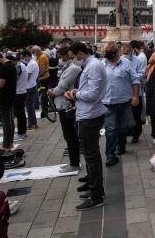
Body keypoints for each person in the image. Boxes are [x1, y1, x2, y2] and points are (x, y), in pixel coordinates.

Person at [64, 42, 107, 210]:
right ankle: (94, 188)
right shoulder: (90, 65)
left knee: (91, 155)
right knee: (91, 154)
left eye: (74, 57)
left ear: (80, 53)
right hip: (86, 113)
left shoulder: (94, 66)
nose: (74, 61)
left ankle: (97, 195)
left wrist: (75, 94)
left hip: (90, 115)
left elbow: (93, 94)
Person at [101, 42, 140, 166]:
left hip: (124, 103)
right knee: (110, 129)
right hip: (108, 103)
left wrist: (135, 96)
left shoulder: (126, 64)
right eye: (106, 51)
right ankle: (110, 155)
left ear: (117, 51)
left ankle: (121, 146)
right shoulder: (101, 65)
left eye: (110, 51)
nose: (107, 54)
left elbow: (135, 80)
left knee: (123, 128)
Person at [48, 46, 82, 173]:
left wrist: (53, 92)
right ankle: (73, 162)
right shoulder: (67, 67)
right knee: (69, 135)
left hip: (66, 105)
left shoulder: (72, 68)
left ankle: (74, 163)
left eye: (61, 56)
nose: (60, 59)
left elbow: (62, 86)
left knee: (70, 135)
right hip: (63, 103)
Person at [0, 51, 17, 151]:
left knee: (6, 122)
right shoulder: (11, 65)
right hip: (10, 96)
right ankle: (10, 143)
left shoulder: (4, 68)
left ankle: (6, 145)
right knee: (10, 121)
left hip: (3, 98)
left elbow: (0, 85)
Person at [128, 40, 147, 144]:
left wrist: (131, 78)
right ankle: (128, 132)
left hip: (136, 92)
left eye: (128, 52)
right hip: (125, 94)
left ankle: (136, 134)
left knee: (136, 114)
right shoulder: (120, 61)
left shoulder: (138, 60)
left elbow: (142, 73)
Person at [21, 50, 39, 129]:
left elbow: (27, 77)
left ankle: (31, 124)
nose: (23, 59)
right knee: (30, 106)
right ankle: (33, 123)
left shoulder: (31, 64)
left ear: (27, 56)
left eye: (24, 57)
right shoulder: (34, 62)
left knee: (29, 107)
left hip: (29, 86)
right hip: (33, 84)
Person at [14, 53, 28, 141]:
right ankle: (22, 132)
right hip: (22, 90)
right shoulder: (22, 65)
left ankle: (21, 132)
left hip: (19, 92)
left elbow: (14, 79)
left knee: (19, 114)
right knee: (21, 113)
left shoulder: (19, 67)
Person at [33, 46, 50, 117]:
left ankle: (44, 112)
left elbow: (42, 70)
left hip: (43, 79)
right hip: (41, 79)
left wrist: (35, 76)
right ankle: (44, 111)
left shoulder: (42, 57)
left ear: (38, 51)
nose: (34, 54)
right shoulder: (40, 56)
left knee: (43, 96)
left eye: (34, 52)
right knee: (42, 95)